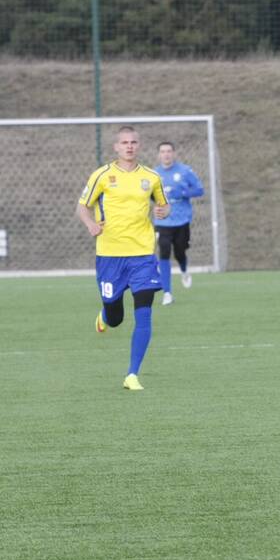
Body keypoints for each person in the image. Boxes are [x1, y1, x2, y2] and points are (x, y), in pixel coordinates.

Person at [77, 125, 170, 390]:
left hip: (142, 254)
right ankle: (105, 316)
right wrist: (90, 224)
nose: (129, 146)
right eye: (125, 142)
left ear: (139, 146)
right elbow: (82, 206)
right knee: (116, 317)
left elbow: (163, 204)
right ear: (116, 147)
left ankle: (132, 374)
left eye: (133, 142)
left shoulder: (151, 177)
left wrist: (163, 211)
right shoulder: (102, 175)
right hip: (110, 255)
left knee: (144, 313)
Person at [152, 141, 205, 305]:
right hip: (162, 221)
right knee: (164, 252)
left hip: (182, 220)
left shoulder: (185, 171)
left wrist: (182, 192)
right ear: (159, 155)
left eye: (169, 151)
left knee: (180, 252)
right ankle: (167, 293)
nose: (166, 154)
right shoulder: (154, 174)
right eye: (163, 151)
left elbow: (199, 189)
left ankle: (184, 270)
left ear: (174, 153)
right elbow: (148, 194)